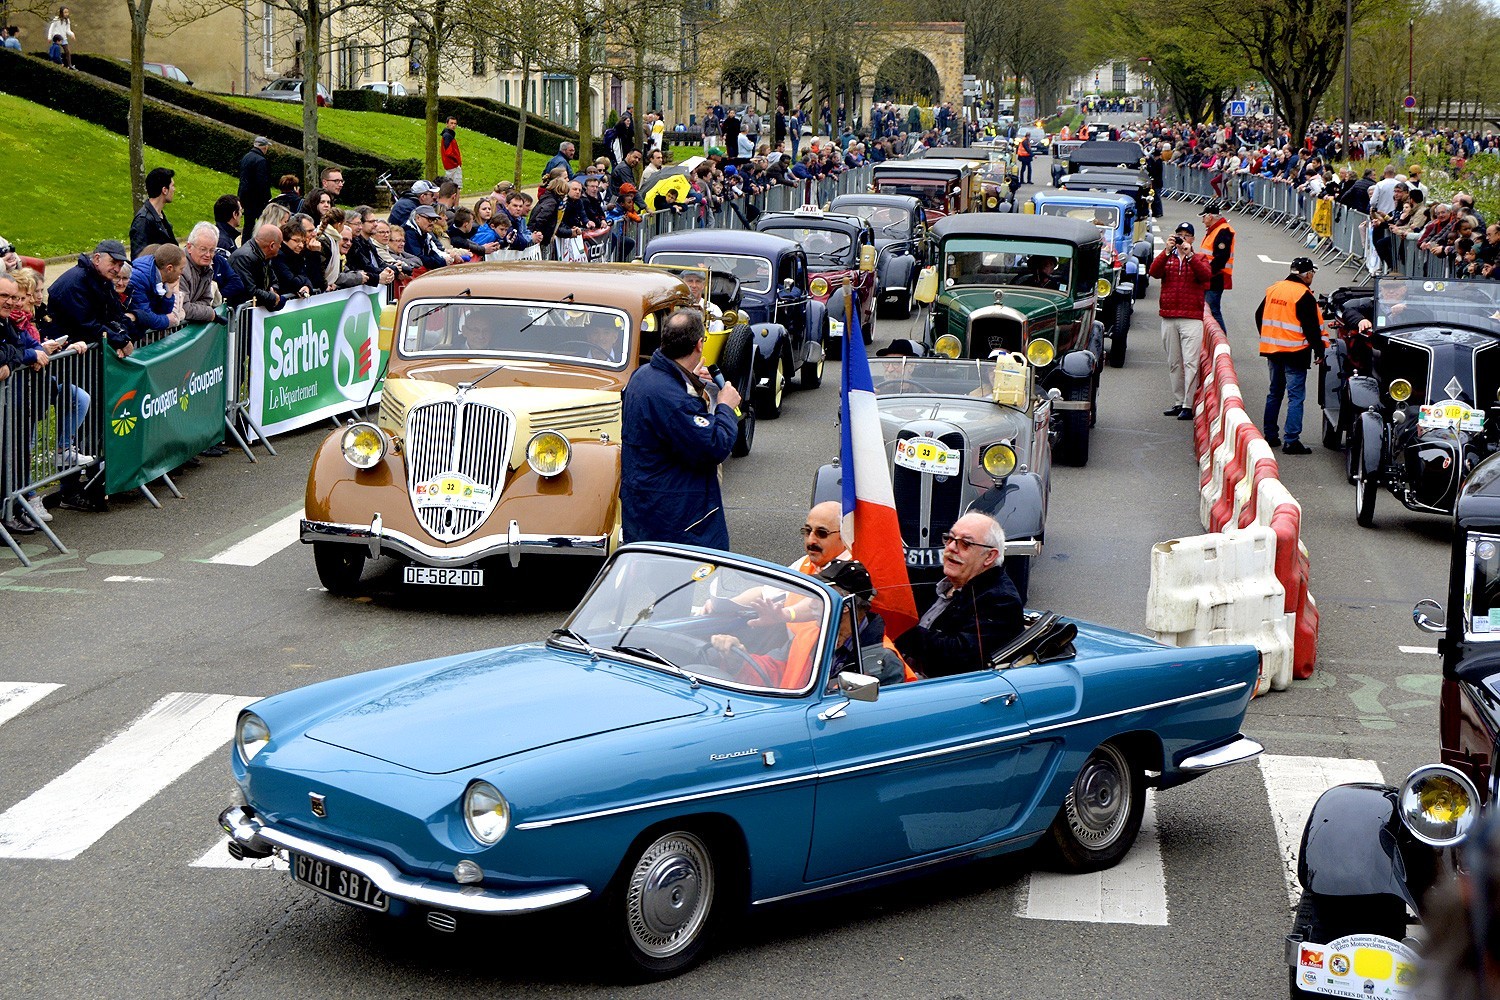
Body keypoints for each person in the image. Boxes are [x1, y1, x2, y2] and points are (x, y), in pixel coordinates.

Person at [621, 308, 741, 549]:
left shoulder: (641, 376)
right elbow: (714, 445)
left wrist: (691, 383)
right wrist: (726, 407)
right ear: (699, 344)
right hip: (677, 519)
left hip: (642, 506)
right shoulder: (675, 400)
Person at [894, 511, 1024, 677]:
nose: (951, 548)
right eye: (950, 539)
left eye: (965, 544)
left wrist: (899, 628)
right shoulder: (947, 579)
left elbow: (957, 656)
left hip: (936, 685)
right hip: (901, 667)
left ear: (989, 556)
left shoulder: (1001, 600)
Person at [1255, 256, 1326, 455]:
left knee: (1275, 392)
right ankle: (1291, 440)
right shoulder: (1303, 294)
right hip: (1295, 353)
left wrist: (1269, 336)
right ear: (1308, 274)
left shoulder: (1274, 289)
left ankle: (1270, 435)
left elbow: (1259, 315)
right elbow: (1311, 328)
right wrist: (1319, 351)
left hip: (1273, 351)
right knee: (1295, 397)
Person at [1151, 222, 1213, 419]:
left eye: (1187, 235)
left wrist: (1190, 255)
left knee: (1191, 362)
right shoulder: (1168, 258)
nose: (1183, 238)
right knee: (1174, 362)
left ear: (1193, 239)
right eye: (1180, 235)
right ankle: (1179, 401)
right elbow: (1154, 272)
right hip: (1169, 315)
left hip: (1191, 318)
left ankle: (1188, 404)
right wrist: (1166, 251)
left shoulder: (1199, 258)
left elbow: (1206, 276)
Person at [126, 243, 186, 332]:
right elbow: (145, 316)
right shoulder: (139, 279)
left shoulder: (160, 276)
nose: (182, 272)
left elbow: (163, 312)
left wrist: (169, 293)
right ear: (169, 268)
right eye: (181, 269)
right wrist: (167, 321)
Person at [226, 224, 287, 311]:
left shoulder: (264, 256)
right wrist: (272, 297)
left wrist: (274, 289)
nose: (280, 247)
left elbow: (274, 280)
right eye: (280, 244)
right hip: (241, 312)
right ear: (272, 245)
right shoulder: (243, 258)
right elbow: (250, 291)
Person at [1198, 200, 1235, 330]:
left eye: (1204, 217)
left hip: (1215, 276)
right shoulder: (1216, 230)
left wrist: (1207, 272)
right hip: (1212, 275)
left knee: (1212, 311)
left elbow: (1221, 258)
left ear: (1210, 216)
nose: (1202, 220)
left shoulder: (1222, 231)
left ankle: (1221, 339)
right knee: (1210, 310)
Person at [129, 167, 178, 258]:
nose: (174, 189)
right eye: (172, 186)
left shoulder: (159, 216)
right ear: (164, 190)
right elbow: (139, 259)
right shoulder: (143, 220)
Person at [237, 137, 272, 242]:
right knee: (263, 223)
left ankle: (245, 243)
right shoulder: (261, 161)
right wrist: (267, 198)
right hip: (257, 199)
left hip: (245, 195)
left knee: (248, 224)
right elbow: (262, 183)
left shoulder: (247, 156)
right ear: (264, 147)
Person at [438, 116, 462, 189]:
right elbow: (449, 152)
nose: (453, 125)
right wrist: (456, 161)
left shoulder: (449, 135)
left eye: (455, 123)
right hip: (452, 165)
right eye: (451, 123)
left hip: (451, 164)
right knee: (456, 186)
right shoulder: (448, 136)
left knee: (452, 186)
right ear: (447, 124)